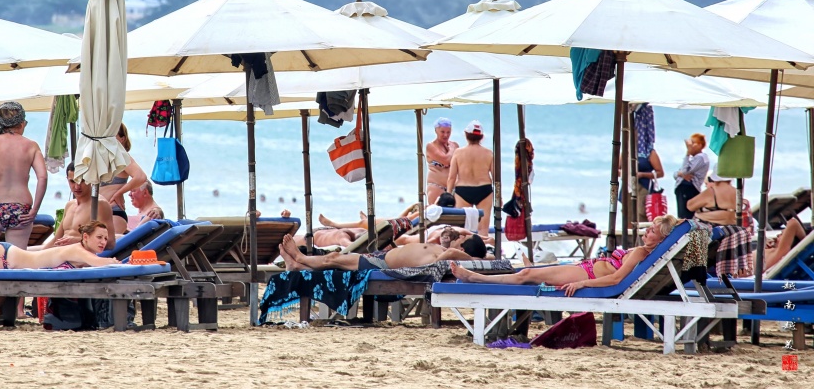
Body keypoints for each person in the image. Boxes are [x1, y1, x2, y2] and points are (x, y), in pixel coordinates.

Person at [0, 166, 116, 328]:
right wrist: (37, 255)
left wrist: (77, 240)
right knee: (7, 260)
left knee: (12, 262)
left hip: (75, 259)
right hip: (58, 254)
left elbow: (110, 242)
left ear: (90, 179)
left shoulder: (100, 205)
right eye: (72, 181)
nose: (77, 186)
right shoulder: (70, 205)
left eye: (82, 181)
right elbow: (56, 238)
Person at [451, 215, 682, 296]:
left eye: (652, 230)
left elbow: (615, 280)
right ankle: (480, 275)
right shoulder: (646, 251)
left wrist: (581, 282)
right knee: (529, 273)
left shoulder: (641, 252)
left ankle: (475, 278)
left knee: (526, 274)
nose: (647, 230)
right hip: (586, 268)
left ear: (661, 239)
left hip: (586, 273)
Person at [0, 102, 48, 255]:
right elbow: (43, 177)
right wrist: (34, 211)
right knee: (17, 261)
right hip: (22, 209)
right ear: (21, 123)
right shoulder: (32, 146)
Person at [278, 230, 487, 272]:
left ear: (462, 247)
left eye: (462, 238)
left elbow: (452, 255)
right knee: (336, 263)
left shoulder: (451, 255)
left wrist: (467, 255)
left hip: (383, 264)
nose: (459, 235)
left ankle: (299, 257)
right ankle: (296, 266)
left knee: (333, 258)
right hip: (382, 257)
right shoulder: (445, 251)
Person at [93, 123, 148, 236]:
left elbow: (141, 177)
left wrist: (119, 193)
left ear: (122, 139)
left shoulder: (122, 157)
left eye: (113, 136)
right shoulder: (100, 159)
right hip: (95, 213)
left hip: (114, 212)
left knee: (105, 244)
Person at [447, 121, 494, 237]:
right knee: (483, 229)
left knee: (461, 229)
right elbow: (496, 177)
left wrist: (448, 195)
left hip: (463, 190)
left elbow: (452, 177)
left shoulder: (458, 153)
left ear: (466, 134)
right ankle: (483, 252)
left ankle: (464, 252)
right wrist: (499, 196)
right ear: (482, 137)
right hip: (484, 190)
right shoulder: (489, 153)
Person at [674, 134, 709, 220]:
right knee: (683, 216)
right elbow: (677, 173)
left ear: (700, 145)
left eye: (693, 143)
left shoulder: (701, 157)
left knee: (685, 217)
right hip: (685, 188)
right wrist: (680, 174)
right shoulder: (693, 159)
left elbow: (685, 171)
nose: (690, 146)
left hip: (689, 188)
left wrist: (687, 153)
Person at [426, 117, 459, 204]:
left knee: (455, 216)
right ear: (436, 131)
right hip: (436, 186)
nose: (446, 135)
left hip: (452, 188)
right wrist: (452, 149)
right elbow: (446, 160)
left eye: (448, 132)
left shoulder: (455, 145)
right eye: (442, 132)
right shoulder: (431, 146)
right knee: (435, 215)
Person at [633, 148, 665, 221]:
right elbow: (617, 169)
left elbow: (660, 173)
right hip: (629, 187)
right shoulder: (627, 150)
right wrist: (625, 173)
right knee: (628, 214)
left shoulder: (649, 152)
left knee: (642, 213)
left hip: (644, 187)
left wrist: (642, 174)